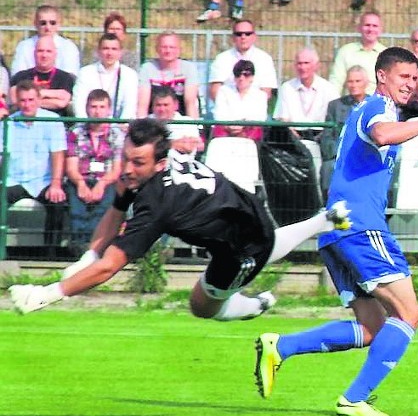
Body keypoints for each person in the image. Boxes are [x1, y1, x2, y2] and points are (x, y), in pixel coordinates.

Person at [254, 47, 418, 416]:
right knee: (410, 315)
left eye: (414, 78)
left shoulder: (384, 110)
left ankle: (280, 347)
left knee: (371, 328)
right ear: (382, 76)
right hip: (361, 229)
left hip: (338, 230)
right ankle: (354, 398)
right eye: (403, 77)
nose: (409, 85)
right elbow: (382, 135)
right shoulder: (376, 109)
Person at [9, 118, 353, 322]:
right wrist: (85, 260)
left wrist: (48, 293)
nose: (128, 168)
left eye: (138, 162)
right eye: (126, 157)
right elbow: (114, 214)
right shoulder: (142, 170)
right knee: (264, 241)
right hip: (241, 208)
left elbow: (110, 267)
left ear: (159, 164)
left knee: (201, 306)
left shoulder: (158, 202)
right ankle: (323, 220)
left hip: (240, 245)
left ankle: (257, 304)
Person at [0, 80, 67, 245]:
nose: (27, 105)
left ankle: (51, 255)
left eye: (31, 100)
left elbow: (58, 154)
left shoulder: (53, 120)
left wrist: (56, 184)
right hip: (14, 180)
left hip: (43, 180)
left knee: (58, 203)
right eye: (23, 100)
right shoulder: (6, 124)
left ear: (38, 100)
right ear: (17, 101)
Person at [65, 90, 124, 253]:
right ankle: (79, 244)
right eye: (93, 107)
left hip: (107, 179)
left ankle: (95, 243)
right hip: (80, 177)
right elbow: (71, 167)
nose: (97, 111)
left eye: (101, 107)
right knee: (77, 206)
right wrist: (81, 184)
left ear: (109, 109)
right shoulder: (75, 132)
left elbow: (117, 168)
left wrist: (101, 184)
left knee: (106, 203)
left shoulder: (117, 134)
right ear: (86, 108)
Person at [318, 65, 369, 200]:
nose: (353, 85)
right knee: (328, 167)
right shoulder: (335, 106)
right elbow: (327, 137)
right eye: (350, 81)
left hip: (366, 155)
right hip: (339, 156)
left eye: (358, 81)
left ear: (366, 83)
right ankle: (329, 207)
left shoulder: (375, 105)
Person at [273, 47, 339, 143]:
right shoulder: (286, 87)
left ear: (316, 65)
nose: (302, 67)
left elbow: (334, 121)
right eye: (299, 63)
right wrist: (297, 140)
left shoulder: (329, 89)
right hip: (292, 138)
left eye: (306, 63)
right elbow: (283, 119)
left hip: (322, 137)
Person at [208, 19, 278, 103]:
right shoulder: (221, 59)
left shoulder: (265, 59)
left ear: (254, 36)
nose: (243, 37)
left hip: (255, 110)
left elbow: (266, 92)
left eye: (247, 34)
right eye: (239, 34)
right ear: (233, 37)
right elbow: (215, 92)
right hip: (227, 109)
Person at [73, 33, 138, 120]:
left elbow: (129, 106)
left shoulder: (129, 75)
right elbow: (79, 103)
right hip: (89, 124)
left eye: (114, 49)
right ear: (98, 51)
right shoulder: (85, 72)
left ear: (120, 52)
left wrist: (119, 126)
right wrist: (84, 125)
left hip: (118, 127)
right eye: (105, 48)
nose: (109, 53)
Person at [137, 32, 200, 120]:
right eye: (164, 47)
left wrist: (194, 127)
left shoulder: (189, 68)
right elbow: (142, 105)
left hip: (181, 118)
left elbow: (190, 103)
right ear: (157, 49)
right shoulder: (147, 68)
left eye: (172, 47)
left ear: (179, 50)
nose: (168, 51)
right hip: (154, 119)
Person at [9, 35, 75, 117]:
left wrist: (33, 97)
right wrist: (53, 96)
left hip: (56, 123)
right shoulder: (21, 76)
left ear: (55, 54)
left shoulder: (65, 78)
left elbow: (62, 102)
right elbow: (14, 99)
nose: (44, 55)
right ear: (34, 53)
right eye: (40, 51)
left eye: (48, 51)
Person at [11, 5, 80, 77]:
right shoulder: (24, 46)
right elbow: (17, 75)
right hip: (28, 86)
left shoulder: (69, 47)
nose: (48, 27)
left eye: (52, 23)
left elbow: (71, 76)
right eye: (43, 23)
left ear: (59, 24)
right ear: (35, 24)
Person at [329, 11, 385, 95]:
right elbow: (335, 83)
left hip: (377, 105)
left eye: (375, 26)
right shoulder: (345, 51)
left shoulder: (386, 55)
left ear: (380, 30)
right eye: (367, 25)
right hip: (350, 105)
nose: (370, 29)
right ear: (359, 28)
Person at [212, 60, 267, 141]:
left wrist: (243, 126)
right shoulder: (223, 91)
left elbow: (260, 118)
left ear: (252, 77)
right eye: (238, 74)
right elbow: (219, 115)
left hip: (248, 130)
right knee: (218, 129)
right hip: (227, 128)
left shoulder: (260, 95)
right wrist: (230, 126)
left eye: (246, 74)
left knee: (256, 129)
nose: (241, 78)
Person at [150, 86, 203, 156]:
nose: (162, 109)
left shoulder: (188, 122)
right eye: (158, 105)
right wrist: (174, 143)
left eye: (166, 105)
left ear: (176, 105)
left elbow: (192, 147)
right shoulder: (144, 123)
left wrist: (158, 145)